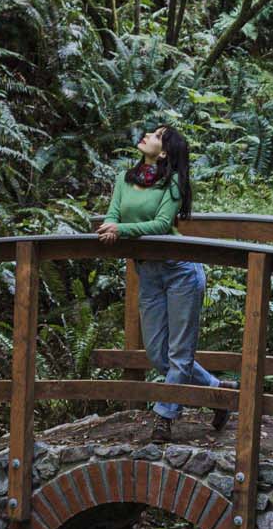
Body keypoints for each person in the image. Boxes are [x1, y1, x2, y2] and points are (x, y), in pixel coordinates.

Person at [96, 123, 226, 442]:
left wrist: (121, 231)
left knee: (179, 353)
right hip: (149, 273)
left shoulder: (173, 185)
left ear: (164, 151)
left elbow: (162, 224)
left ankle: (164, 417)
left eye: (156, 136)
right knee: (158, 355)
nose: (147, 136)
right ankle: (219, 392)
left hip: (180, 269)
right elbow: (113, 215)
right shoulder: (124, 180)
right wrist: (112, 225)